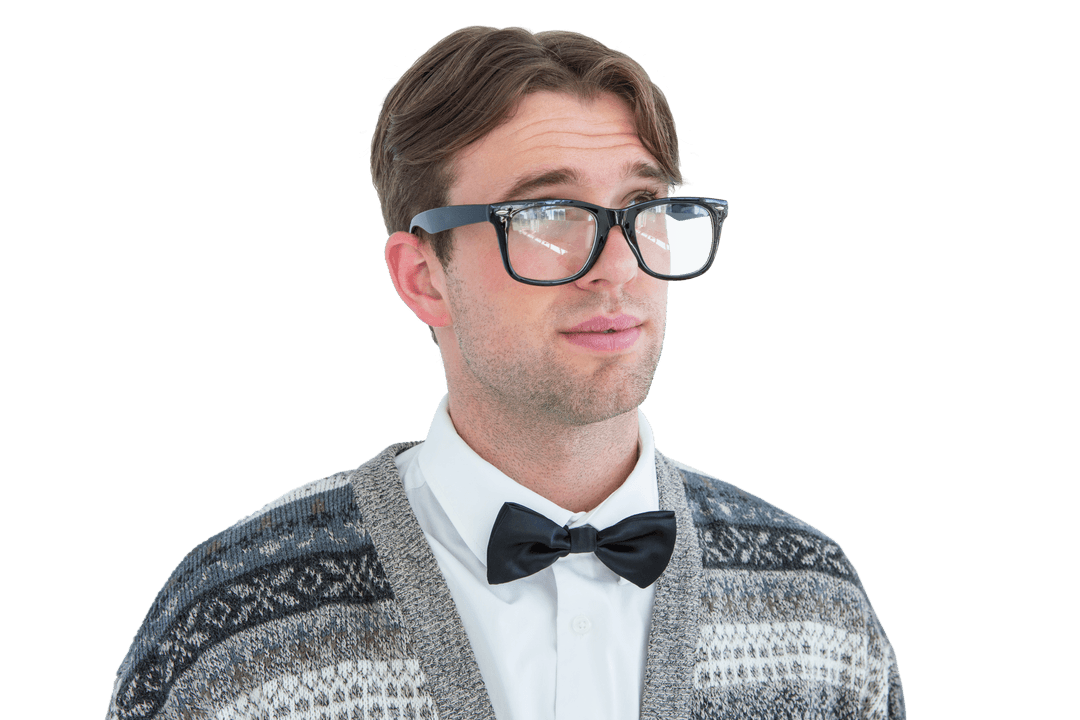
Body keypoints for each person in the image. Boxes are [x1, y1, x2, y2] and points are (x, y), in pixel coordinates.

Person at [106, 25, 905, 720]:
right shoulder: (229, 624)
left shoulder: (815, 603)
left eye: (643, 210)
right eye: (549, 217)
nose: (618, 270)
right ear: (423, 277)